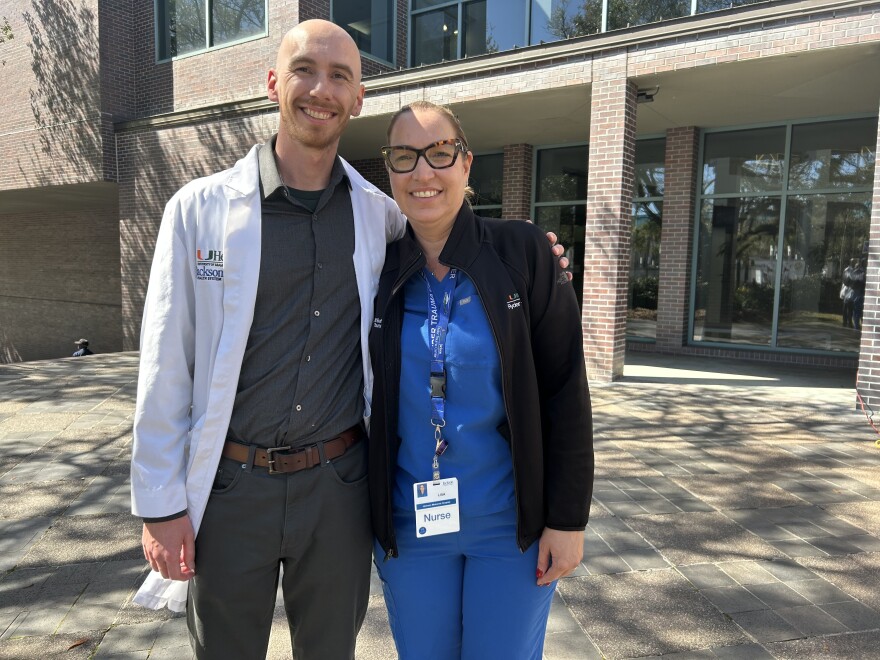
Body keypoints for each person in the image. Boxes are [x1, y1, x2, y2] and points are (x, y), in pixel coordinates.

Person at [130, 21, 569, 660]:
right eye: (305, 70)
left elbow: (451, 230)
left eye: (341, 76)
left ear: (358, 97)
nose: (321, 90)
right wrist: (161, 504)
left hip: (338, 489)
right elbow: (165, 363)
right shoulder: (197, 210)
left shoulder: (380, 216)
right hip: (230, 488)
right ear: (274, 82)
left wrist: (535, 256)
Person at [367, 101, 594, 659]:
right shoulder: (374, 265)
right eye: (404, 157)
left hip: (509, 528)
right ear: (389, 172)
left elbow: (565, 387)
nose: (423, 172)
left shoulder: (523, 253)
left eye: (439, 153)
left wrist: (568, 519)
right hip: (410, 525)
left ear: (466, 165)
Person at [849, 259, 866, 331]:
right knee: (861, 310)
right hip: (861, 293)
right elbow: (864, 282)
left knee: (856, 310)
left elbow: (850, 284)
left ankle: (856, 325)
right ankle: (862, 325)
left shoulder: (853, 273)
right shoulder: (863, 273)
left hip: (855, 293)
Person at [842, 258, 856, 328]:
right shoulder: (848, 270)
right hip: (848, 289)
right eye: (853, 262)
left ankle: (848, 321)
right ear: (850, 262)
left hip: (851, 289)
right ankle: (846, 321)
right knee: (847, 306)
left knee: (849, 307)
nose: (854, 263)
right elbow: (846, 280)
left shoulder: (853, 270)